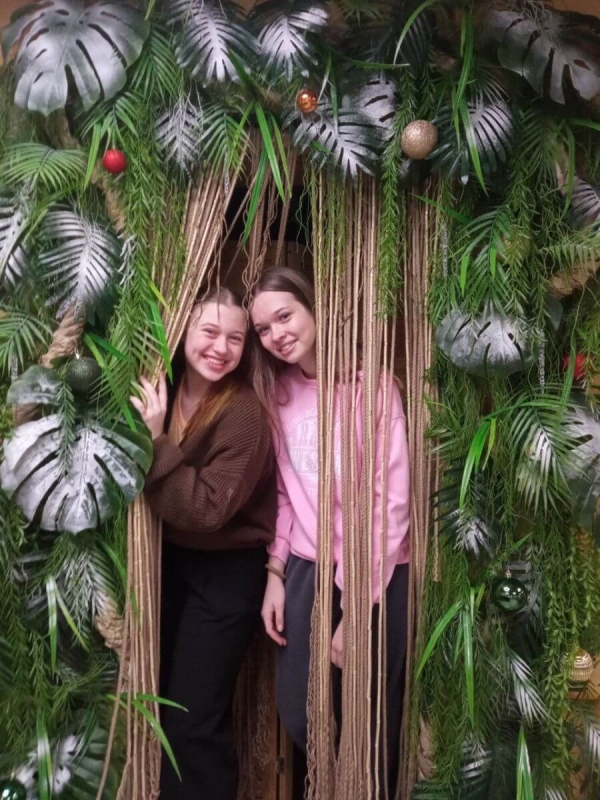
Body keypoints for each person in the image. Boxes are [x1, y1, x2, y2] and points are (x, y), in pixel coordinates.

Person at [249, 267, 410, 795]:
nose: (277, 335)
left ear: (315, 309)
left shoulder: (374, 389)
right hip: (306, 568)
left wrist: (356, 608)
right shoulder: (279, 395)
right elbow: (285, 493)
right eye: (264, 329)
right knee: (303, 711)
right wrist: (276, 571)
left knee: (370, 720)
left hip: (376, 573)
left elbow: (390, 504)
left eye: (285, 316)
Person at [130, 287, 277, 800]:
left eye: (235, 338)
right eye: (209, 332)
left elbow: (207, 510)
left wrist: (155, 443)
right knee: (152, 698)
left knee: (191, 721)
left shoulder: (245, 415)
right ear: (183, 331)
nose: (221, 347)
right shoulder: (159, 389)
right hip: (167, 562)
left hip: (227, 574)